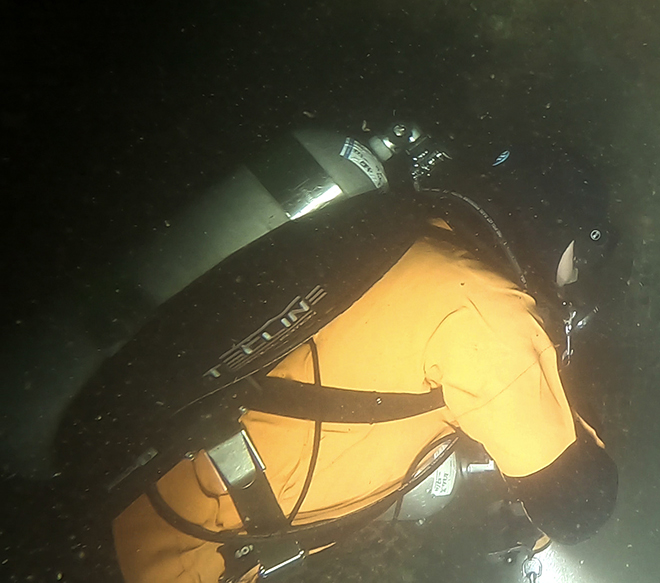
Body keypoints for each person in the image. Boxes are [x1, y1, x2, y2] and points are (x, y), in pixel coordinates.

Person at [63, 132, 620, 582]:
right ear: (552, 223)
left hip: (116, 497)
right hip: (160, 559)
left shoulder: (411, 238)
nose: (572, 278)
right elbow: (575, 503)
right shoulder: (486, 307)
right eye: (580, 255)